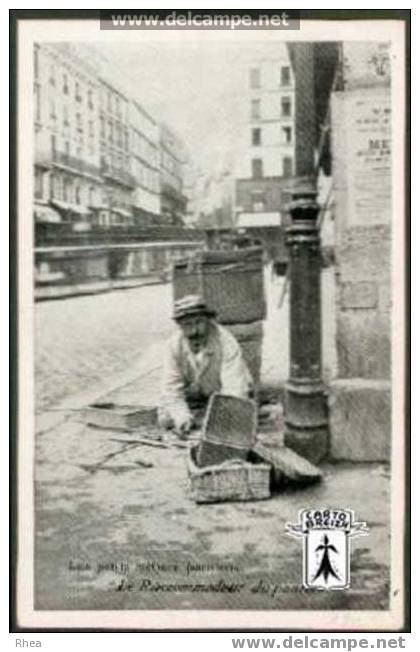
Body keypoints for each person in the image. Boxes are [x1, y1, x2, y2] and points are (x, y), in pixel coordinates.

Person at [158, 294, 253, 436]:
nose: (194, 330)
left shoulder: (225, 341)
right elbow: (171, 388)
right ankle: (197, 416)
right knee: (166, 419)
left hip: (220, 394)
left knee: (234, 422)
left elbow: (234, 388)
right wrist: (181, 417)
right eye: (188, 324)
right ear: (180, 326)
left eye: (199, 322)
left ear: (208, 320)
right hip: (193, 397)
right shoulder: (173, 345)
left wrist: (223, 418)